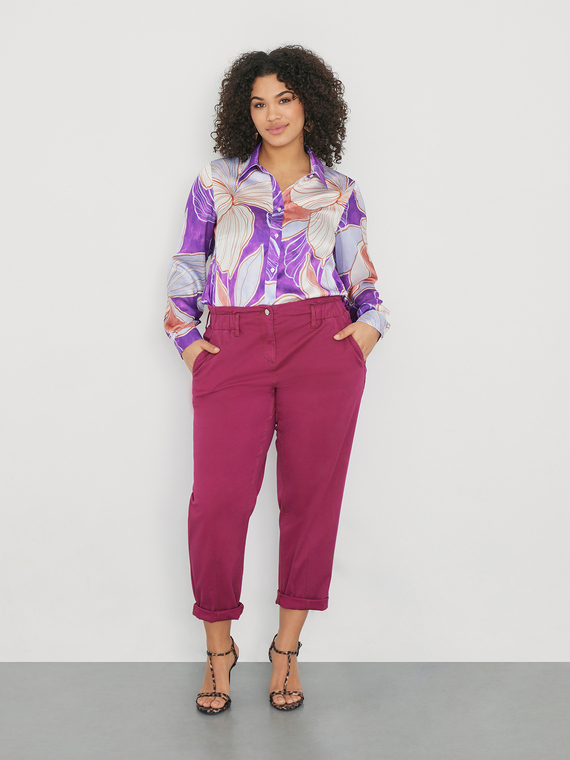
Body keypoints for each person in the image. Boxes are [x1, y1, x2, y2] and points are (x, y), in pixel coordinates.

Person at [164, 45, 390, 714]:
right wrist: (190, 344)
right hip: (231, 344)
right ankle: (219, 651)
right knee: (218, 504)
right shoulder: (218, 182)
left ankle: (286, 650)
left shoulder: (339, 190)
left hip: (320, 342)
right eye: (259, 103)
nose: (273, 114)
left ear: (309, 104)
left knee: (311, 501)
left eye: (285, 99)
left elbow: (361, 276)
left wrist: (369, 328)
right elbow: (188, 267)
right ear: (245, 112)